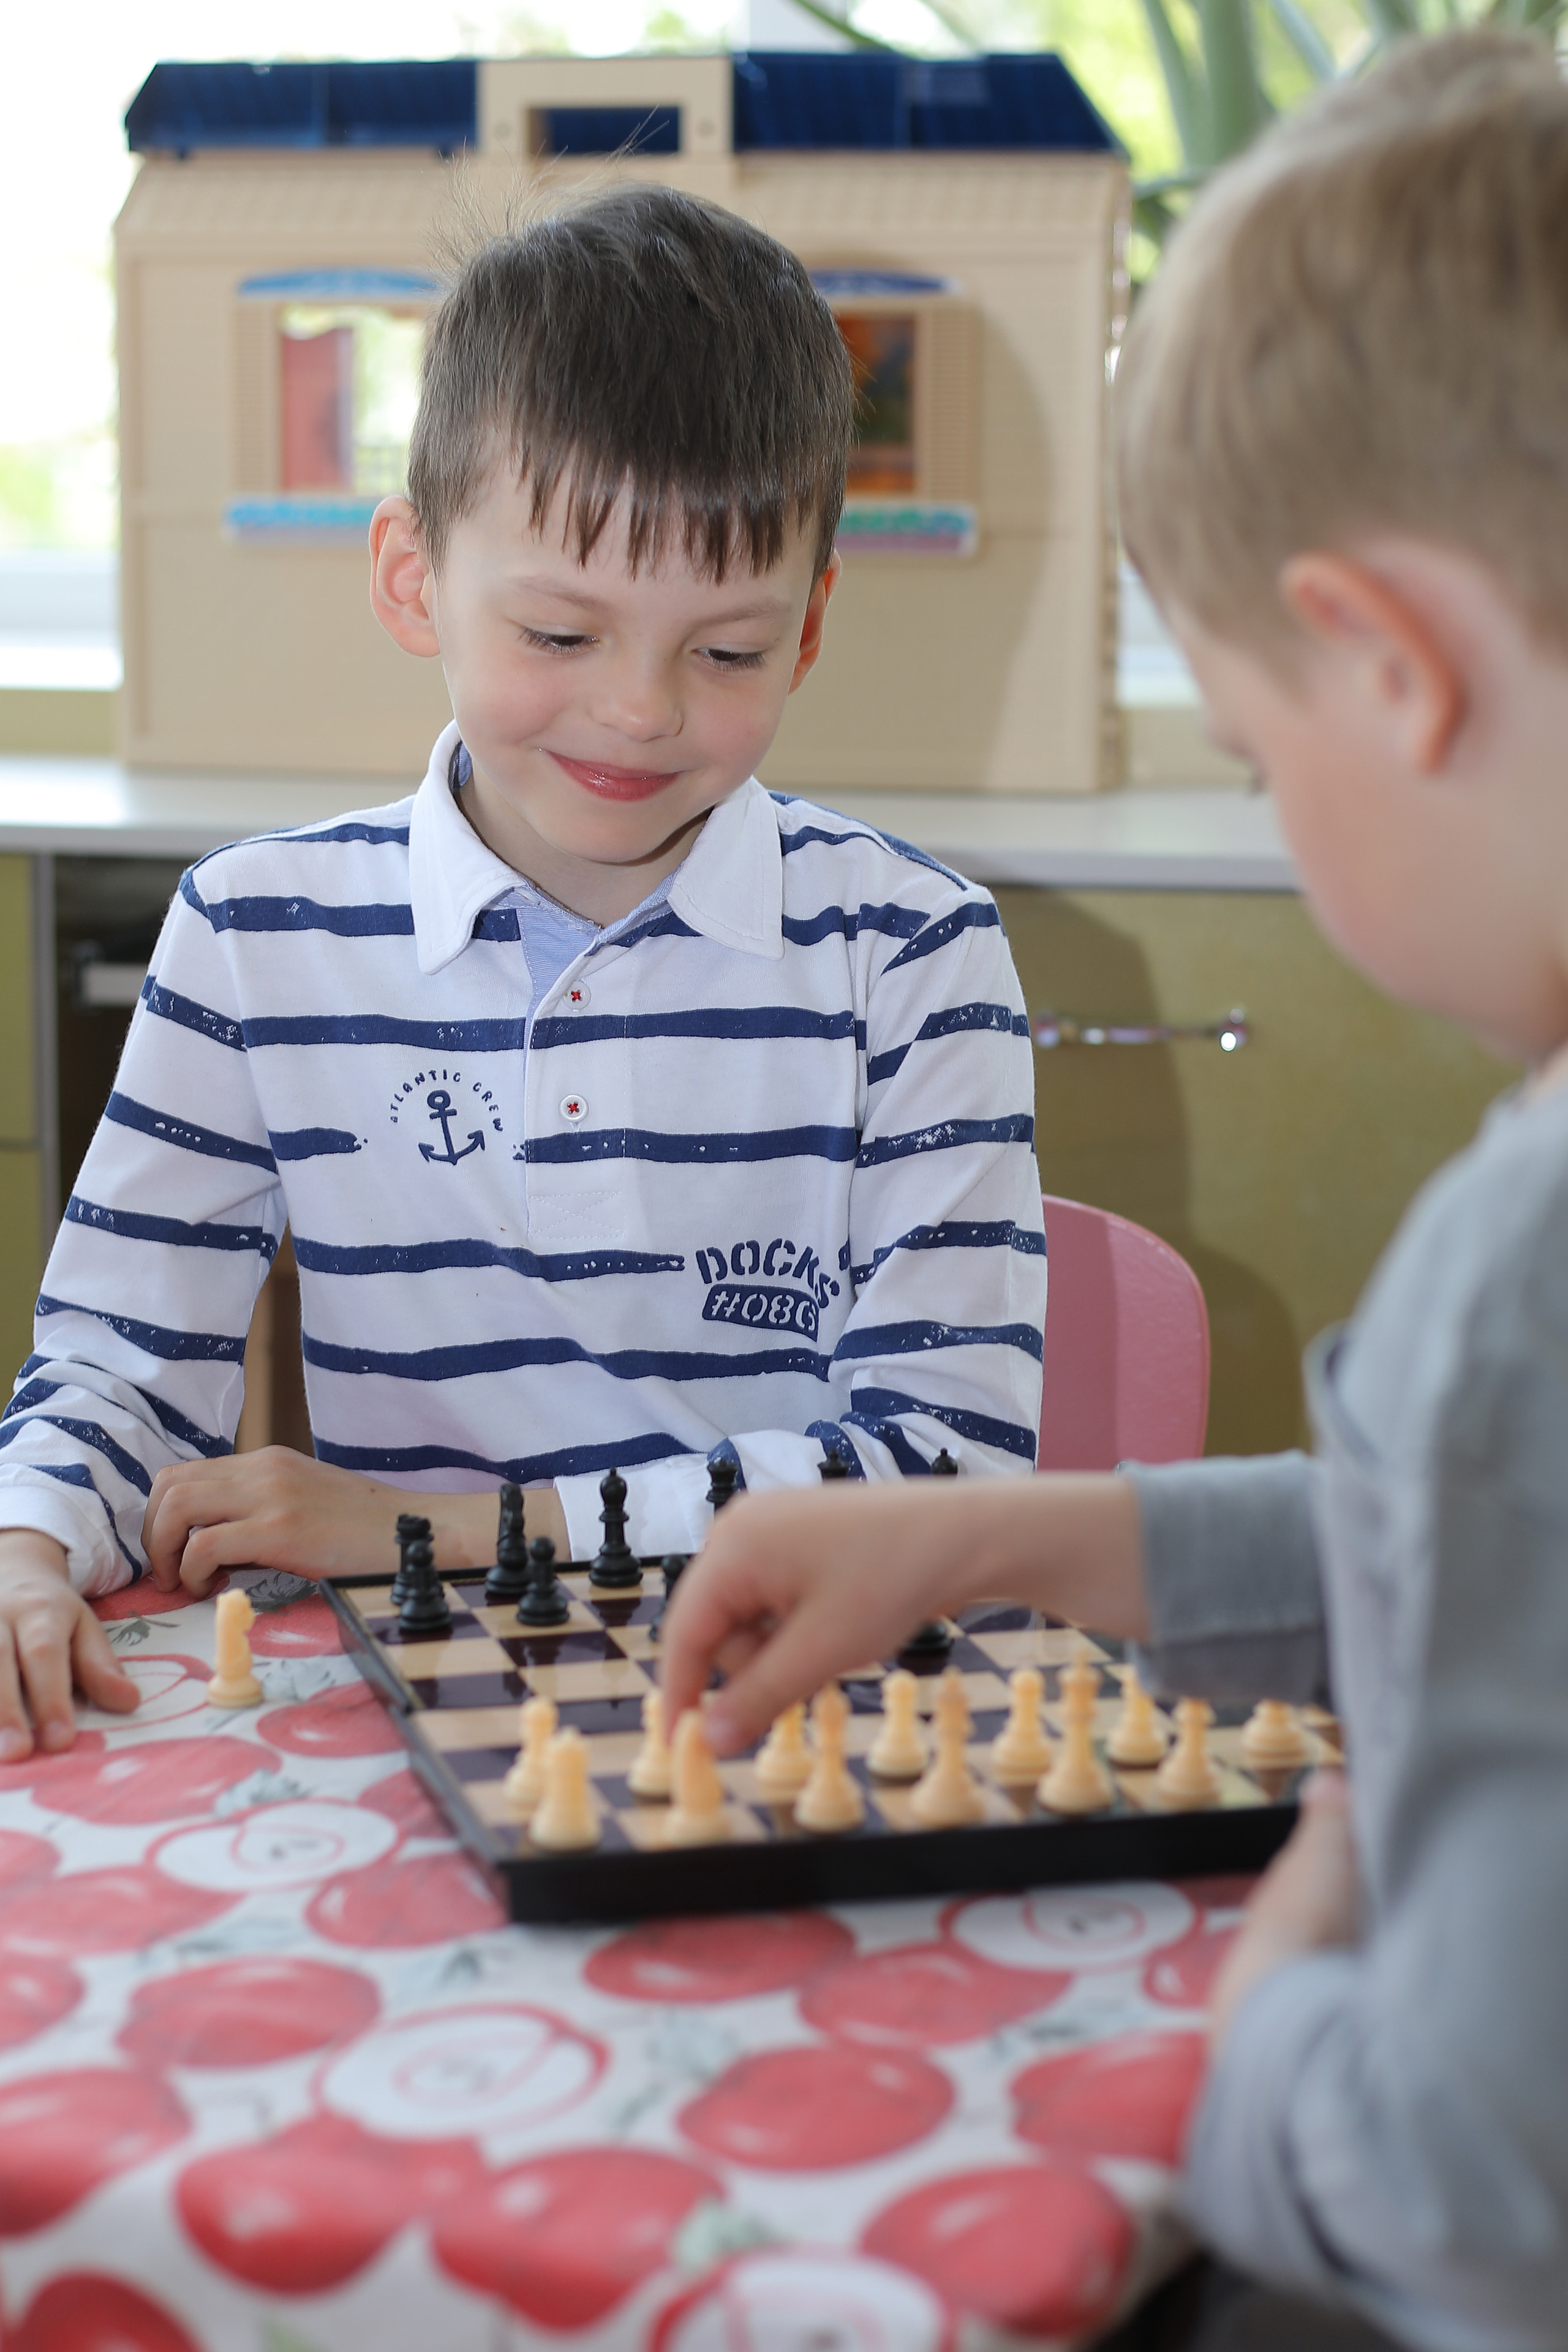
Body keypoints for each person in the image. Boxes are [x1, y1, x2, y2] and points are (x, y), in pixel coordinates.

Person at [662, 30, 1568, 2350]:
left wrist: (1287, 1969)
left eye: (1257, 758)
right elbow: (1484, 1543)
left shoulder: (1524, 1265)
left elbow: (1467, 2193)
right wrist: (1000, 1538)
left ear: (1388, 666)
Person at [0, 187, 1044, 1758]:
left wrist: (445, 1529)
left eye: (727, 651)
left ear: (811, 623)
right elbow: (119, 1366)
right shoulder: (255, 934)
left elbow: (943, 1466)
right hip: (418, 1711)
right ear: (411, 574)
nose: (638, 711)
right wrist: (26, 1545)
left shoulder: (910, 952)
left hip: (792, 1710)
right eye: (560, 634)